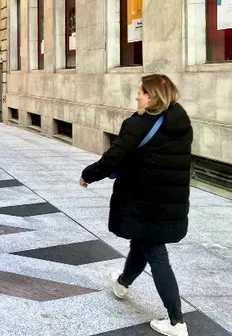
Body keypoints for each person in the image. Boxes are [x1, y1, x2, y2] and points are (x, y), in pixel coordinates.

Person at [80, 74, 192, 336]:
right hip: (167, 200)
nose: (136, 96)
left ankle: (177, 322)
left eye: (140, 92)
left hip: (144, 200)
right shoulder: (181, 123)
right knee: (142, 243)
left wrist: (88, 174)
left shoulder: (138, 125)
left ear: (151, 96)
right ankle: (122, 283)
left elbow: (114, 156)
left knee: (156, 253)